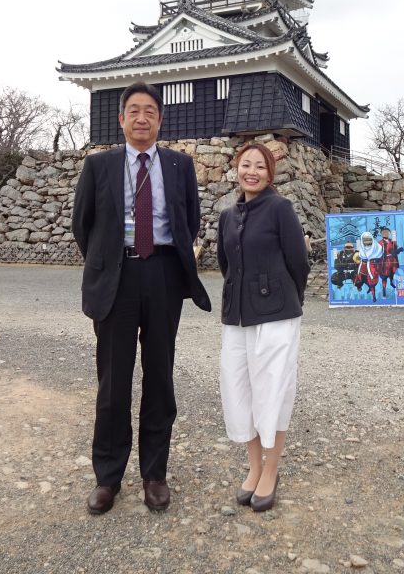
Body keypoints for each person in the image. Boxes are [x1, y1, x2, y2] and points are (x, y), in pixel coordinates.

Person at [72, 82, 211, 515]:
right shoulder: (99, 165)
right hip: (117, 276)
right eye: (133, 110)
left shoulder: (180, 165)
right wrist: (109, 261)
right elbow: (83, 225)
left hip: (164, 275)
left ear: (160, 119)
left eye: (149, 111)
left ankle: (154, 475)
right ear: (121, 119)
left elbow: (190, 219)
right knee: (113, 382)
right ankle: (107, 477)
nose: (141, 118)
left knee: (160, 377)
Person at [217, 142, 309, 512]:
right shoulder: (227, 216)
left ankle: (271, 470)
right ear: (236, 168)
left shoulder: (280, 208)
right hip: (237, 316)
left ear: (270, 173)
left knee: (273, 391)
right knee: (239, 390)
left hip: (276, 315)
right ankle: (254, 467)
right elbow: (225, 264)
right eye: (246, 165)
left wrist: (288, 300)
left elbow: (298, 262)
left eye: (259, 166)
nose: (251, 172)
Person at [354, 230, 383, 302]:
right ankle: (364, 287)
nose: (367, 241)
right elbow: (359, 257)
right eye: (365, 240)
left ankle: (374, 296)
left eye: (368, 239)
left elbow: (380, 257)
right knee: (361, 278)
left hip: (372, 267)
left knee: (372, 282)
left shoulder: (377, 247)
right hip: (363, 267)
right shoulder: (361, 248)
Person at [378, 227, 403, 296]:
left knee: (393, 272)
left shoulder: (392, 241)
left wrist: (399, 249)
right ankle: (384, 289)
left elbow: (395, 249)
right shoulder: (379, 243)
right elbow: (378, 252)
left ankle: (391, 282)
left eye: (387, 232)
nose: (385, 233)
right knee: (384, 275)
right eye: (384, 232)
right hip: (385, 260)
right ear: (381, 234)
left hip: (392, 260)